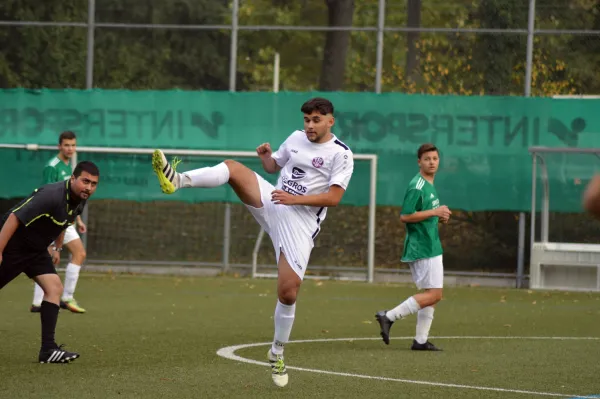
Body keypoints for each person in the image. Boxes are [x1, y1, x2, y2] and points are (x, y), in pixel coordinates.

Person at [151, 97, 354, 387]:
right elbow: (274, 168)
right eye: (307, 119)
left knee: (288, 294)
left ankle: (277, 351)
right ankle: (177, 179)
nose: (309, 125)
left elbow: (334, 198)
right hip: (275, 201)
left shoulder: (341, 154)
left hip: (300, 224)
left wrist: (294, 198)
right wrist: (267, 158)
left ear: (330, 121)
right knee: (233, 168)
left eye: (316, 120)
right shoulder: (296, 138)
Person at [0, 161, 100, 363]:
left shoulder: (80, 199)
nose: (89, 187)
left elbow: (66, 220)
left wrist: (57, 247)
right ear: (73, 178)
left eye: (93, 183)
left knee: (54, 288)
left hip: (35, 250)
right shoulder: (50, 195)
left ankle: (48, 350)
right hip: (13, 245)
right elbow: (14, 218)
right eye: (85, 181)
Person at [375, 143, 451, 351]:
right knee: (434, 294)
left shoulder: (429, 184)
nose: (432, 162)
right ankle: (389, 317)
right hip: (423, 247)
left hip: (431, 244)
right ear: (419, 162)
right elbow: (406, 216)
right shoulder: (417, 185)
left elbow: (425, 213)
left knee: (431, 295)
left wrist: (439, 217)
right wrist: (435, 213)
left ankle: (420, 341)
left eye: (435, 158)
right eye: (427, 159)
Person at [31, 131, 88, 314]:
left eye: (73, 145)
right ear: (59, 146)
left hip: (66, 220)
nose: (70, 148)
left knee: (67, 255)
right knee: (58, 257)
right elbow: (46, 196)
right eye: (66, 145)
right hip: (55, 220)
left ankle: (41, 301)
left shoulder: (68, 168)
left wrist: (78, 219)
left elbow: (70, 198)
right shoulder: (52, 166)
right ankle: (62, 298)